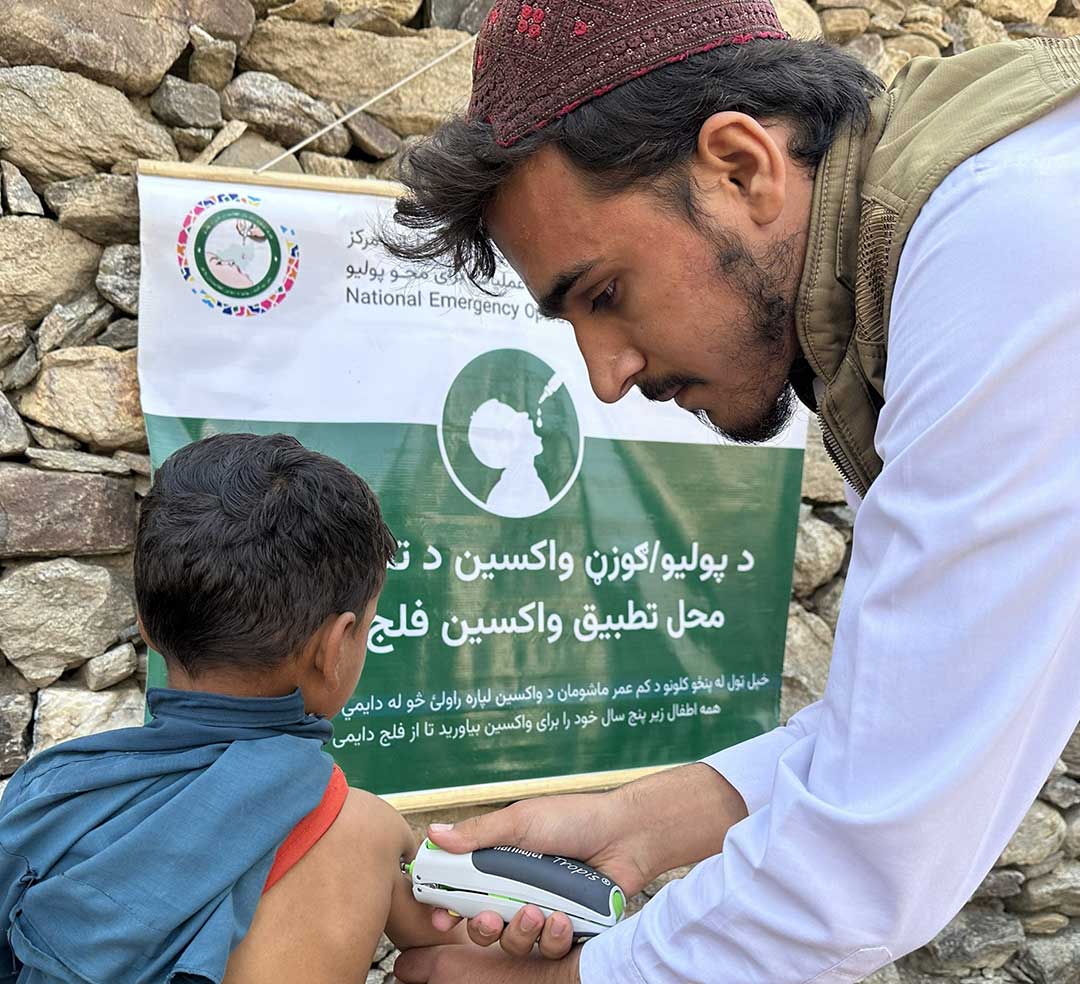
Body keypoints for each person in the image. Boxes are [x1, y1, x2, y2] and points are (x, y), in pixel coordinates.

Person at [381, 1, 1080, 981]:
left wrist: (583, 979)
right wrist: (638, 825)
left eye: (605, 293)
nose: (606, 377)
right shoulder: (940, 233)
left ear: (742, 168)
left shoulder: (1011, 234)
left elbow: (877, 844)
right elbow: (895, 727)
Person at [0, 433, 464, 983]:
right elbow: (460, 947)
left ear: (146, 626)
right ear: (336, 647)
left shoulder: (50, 795)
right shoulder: (369, 833)